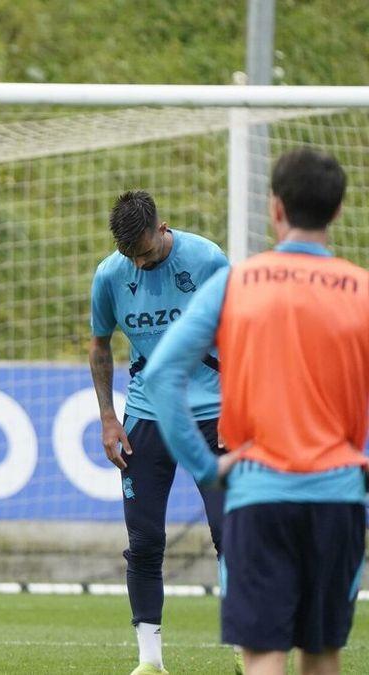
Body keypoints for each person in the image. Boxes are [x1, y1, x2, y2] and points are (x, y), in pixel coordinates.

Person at [146, 147, 367, 675]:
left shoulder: (235, 284)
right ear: (338, 212)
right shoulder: (361, 289)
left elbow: (160, 375)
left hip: (258, 492)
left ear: (275, 209)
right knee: (322, 653)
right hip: (337, 495)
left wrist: (204, 466)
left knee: (264, 655)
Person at [88, 190, 230, 675]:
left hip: (214, 415)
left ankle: (246, 649)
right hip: (146, 417)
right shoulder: (110, 275)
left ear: (162, 228)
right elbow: (100, 345)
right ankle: (150, 662)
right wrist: (109, 417)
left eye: (147, 253)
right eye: (132, 257)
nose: (141, 265)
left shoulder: (208, 260)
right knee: (145, 540)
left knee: (230, 532)